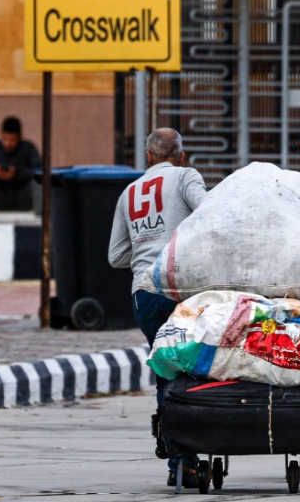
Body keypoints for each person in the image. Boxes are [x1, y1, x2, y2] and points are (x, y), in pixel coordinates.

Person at [108, 127, 206, 488]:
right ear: (180, 155)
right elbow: (208, 213)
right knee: (198, 369)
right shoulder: (186, 176)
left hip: (145, 293)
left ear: (148, 157)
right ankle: (194, 446)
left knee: (167, 369)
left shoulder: (129, 192)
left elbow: (116, 256)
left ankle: (179, 460)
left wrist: (147, 246)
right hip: (183, 290)